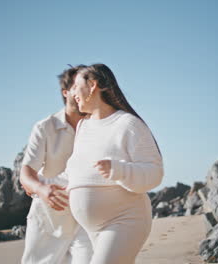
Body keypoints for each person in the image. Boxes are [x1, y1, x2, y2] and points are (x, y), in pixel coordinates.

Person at [65, 63, 164, 264]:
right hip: (92, 228)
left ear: (93, 85)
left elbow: (155, 172)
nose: (72, 92)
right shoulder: (83, 127)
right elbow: (80, 171)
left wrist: (119, 170)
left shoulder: (128, 124)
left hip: (124, 220)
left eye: (76, 85)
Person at [20, 65, 92, 264]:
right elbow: (26, 173)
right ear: (66, 92)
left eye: (87, 86)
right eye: (79, 86)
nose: (84, 92)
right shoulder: (45, 127)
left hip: (86, 218)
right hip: (49, 219)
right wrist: (41, 189)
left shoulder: (97, 126)